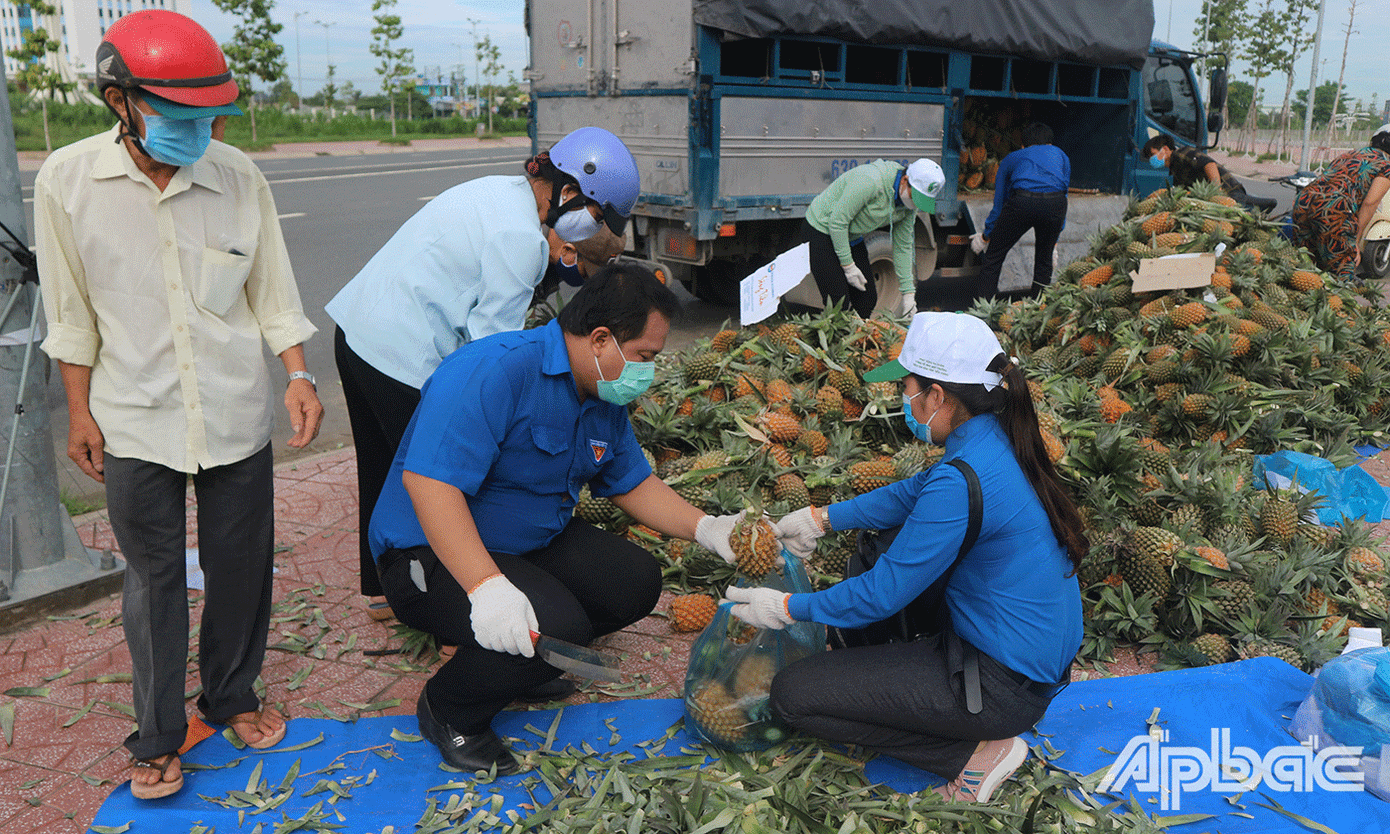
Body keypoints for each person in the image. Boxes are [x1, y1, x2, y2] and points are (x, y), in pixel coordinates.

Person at [34, 10, 322, 800]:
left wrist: (298, 375)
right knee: (153, 578)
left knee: (240, 566)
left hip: (233, 410)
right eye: (184, 115)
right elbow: (70, 316)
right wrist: (80, 413)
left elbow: (272, 291)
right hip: (132, 417)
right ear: (119, 101)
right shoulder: (67, 181)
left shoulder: (238, 176)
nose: (207, 130)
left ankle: (230, 696)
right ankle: (158, 736)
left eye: (214, 114)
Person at [367, 263, 750, 773]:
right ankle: (450, 709)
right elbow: (430, 485)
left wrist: (708, 528)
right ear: (601, 338)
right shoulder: (493, 370)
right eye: (645, 356)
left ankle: (520, 666)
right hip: (429, 553)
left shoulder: (600, 389)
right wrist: (486, 588)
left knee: (634, 582)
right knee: (555, 622)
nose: (649, 371)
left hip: (527, 543)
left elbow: (630, 482)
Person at [724, 312, 1087, 803]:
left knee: (793, 697)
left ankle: (975, 754)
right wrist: (821, 518)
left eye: (906, 387)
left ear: (936, 396)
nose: (902, 398)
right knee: (883, 548)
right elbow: (913, 492)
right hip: (1027, 664)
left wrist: (787, 608)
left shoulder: (962, 478)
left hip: (997, 686)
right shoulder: (997, 437)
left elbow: (880, 595)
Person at [326, 127, 639, 621]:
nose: (589, 230)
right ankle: (448, 609)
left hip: (359, 332)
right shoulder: (522, 240)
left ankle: (381, 592)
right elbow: (493, 354)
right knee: (435, 480)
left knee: (380, 463)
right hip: (403, 352)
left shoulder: (498, 192)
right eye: (596, 217)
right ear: (570, 193)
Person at [803, 158, 944, 318]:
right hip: (821, 229)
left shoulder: (908, 206)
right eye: (916, 197)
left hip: (850, 235)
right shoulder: (871, 181)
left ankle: (858, 332)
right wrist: (848, 266)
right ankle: (835, 332)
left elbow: (903, 246)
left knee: (867, 299)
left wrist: (908, 294)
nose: (915, 204)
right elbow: (837, 222)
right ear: (905, 180)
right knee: (838, 302)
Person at [975, 123, 1070, 298]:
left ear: (1023, 145)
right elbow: (1064, 193)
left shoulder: (1012, 158)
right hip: (1055, 203)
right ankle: (1038, 307)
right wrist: (1054, 241)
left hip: (1022, 202)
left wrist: (985, 236)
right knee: (1044, 261)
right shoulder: (1061, 155)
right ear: (1050, 143)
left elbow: (1000, 203)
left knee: (993, 257)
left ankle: (983, 310)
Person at [1289, 126, 1390, 285]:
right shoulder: (1386, 165)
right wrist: (1355, 241)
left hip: (1304, 201)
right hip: (1334, 209)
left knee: (1306, 267)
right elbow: (1370, 203)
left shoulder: (1350, 154)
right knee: (1341, 277)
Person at [1140, 134, 1267, 209]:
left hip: (1230, 192)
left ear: (1165, 149)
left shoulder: (1182, 153)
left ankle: (1264, 203)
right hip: (1217, 200)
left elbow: (1209, 164)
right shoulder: (1175, 169)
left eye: (1152, 155)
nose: (1152, 160)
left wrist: (1217, 192)